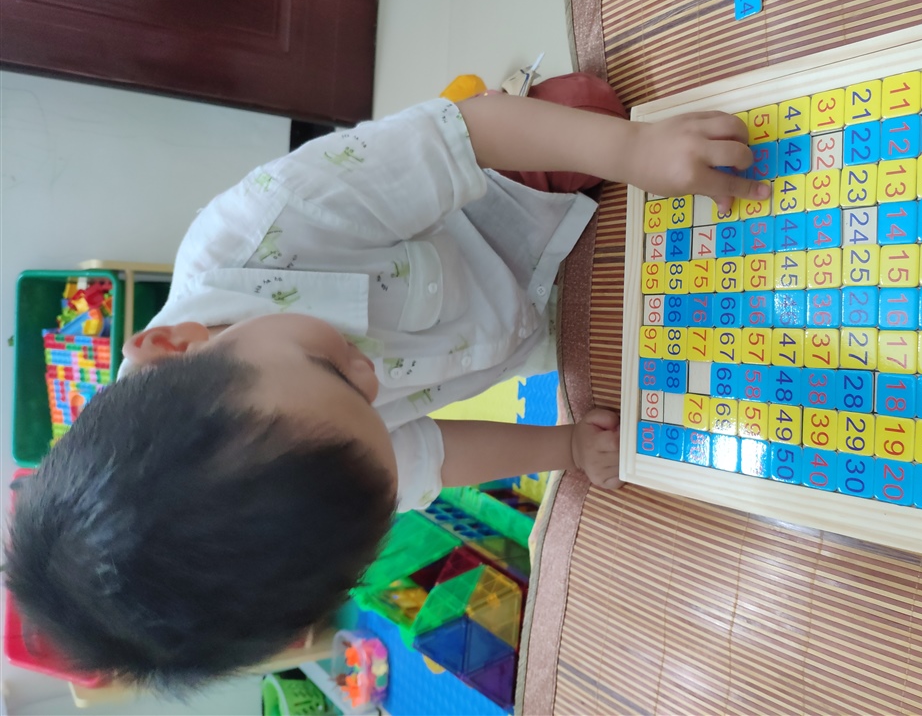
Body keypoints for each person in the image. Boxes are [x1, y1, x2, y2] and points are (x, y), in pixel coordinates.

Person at [5, 74, 768, 690]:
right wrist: (565, 447)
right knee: (667, 362)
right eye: (372, 416)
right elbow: (441, 452)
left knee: (587, 108)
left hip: (499, 202)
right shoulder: (309, 475)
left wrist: (634, 150)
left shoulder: (263, 224)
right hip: (518, 341)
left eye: (331, 372)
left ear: (177, 345)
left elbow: (466, 135)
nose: (371, 378)